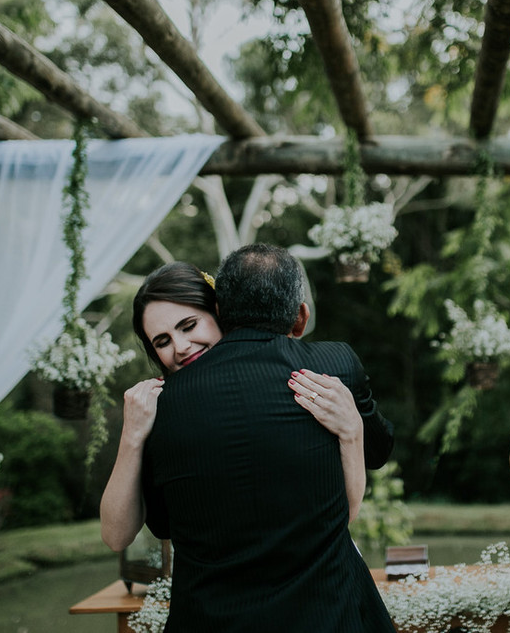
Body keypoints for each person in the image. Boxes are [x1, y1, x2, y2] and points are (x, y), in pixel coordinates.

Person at [139, 245, 396, 632]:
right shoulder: (333, 368)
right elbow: (378, 451)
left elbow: (161, 524)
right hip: (327, 615)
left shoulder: (160, 404)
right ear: (301, 316)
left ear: (220, 312)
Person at [99, 260, 384, 553]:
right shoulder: (156, 408)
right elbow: (116, 536)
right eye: (162, 341)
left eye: (188, 326)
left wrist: (352, 430)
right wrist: (132, 436)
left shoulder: (302, 379)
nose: (181, 346)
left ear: (220, 312)